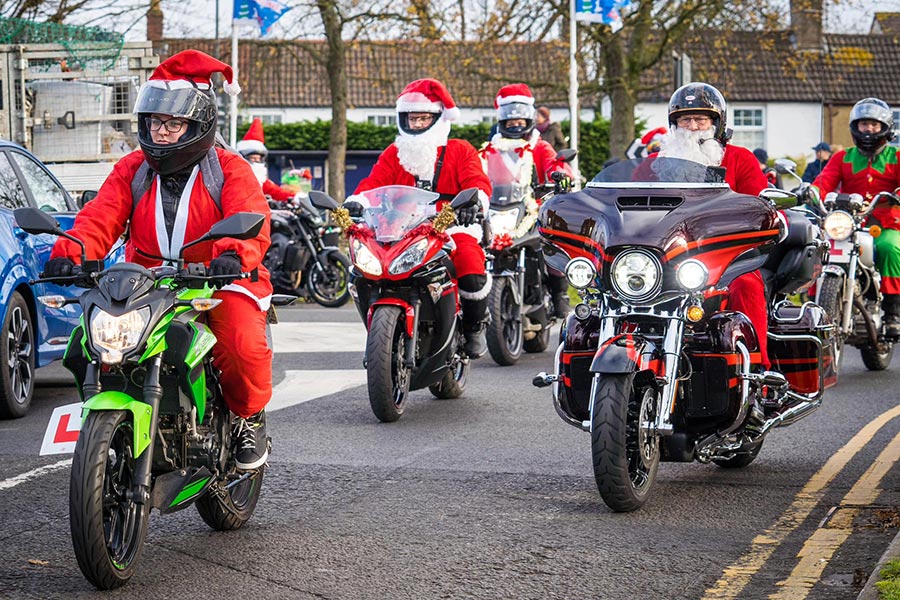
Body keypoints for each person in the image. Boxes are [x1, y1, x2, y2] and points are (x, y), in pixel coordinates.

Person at [43, 50, 273, 471]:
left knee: (241, 344)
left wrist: (232, 257)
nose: (161, 132)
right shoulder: (132, 168)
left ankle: (248, 418)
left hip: (218, 278)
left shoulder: (230, 169)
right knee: (88, 342)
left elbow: (252, 219)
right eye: (154, 121)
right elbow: (99, 217)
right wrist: (70, 254)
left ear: (199, 124)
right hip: (144, 282)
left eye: (173, 123)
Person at [345, 78, 493, 357]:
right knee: (365, 270)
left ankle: (474, 328)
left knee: (471, 267)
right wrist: (356, 201)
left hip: (452, 225)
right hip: (401, 227)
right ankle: (383, 329)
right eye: (410, 118)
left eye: (422, 118)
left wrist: (474, 202)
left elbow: (477, 183)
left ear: (437, 118)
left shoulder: (460, 150)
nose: (415, 124)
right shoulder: (394, 153)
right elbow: (373, 184)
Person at [659, 82, 771, 369]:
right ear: (675, 124)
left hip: (727, 253)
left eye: (701, 119)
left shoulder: (740, 159)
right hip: (667, 253)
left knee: (746, 285)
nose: (693, 126)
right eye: (686, 119)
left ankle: (757, 370)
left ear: (716, 123)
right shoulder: (657, 163)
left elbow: (760, 205)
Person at [479, 83, 574, 318]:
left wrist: (561, 175)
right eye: (511, 123)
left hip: (534, 205)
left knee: (551, 241)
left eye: (520, 123)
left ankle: (559, 293)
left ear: (528, 120)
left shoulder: (539, 146)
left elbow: (555, 162)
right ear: (502, 122)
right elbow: (477, 170)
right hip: (500, 207)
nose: (515, 126)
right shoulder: (491, 149)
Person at [812, 97, 900, 336]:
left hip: (886, 223)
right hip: (847, 222)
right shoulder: (842, 157)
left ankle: (893, 311)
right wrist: (810, 192)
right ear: (855, 127)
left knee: (890, 248)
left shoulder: (897, 156)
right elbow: (823, 182)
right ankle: (814, 306)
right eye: (864, 124)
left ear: (885, 127)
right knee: (820, 247)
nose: (868, 129)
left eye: (874, 124)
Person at [236, 117, 297, 202]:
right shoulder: (235, 177)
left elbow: (276, 191)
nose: (256, 162)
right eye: (253, 158)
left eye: (258, 159)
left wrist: (296, 198)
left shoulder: (260, 179)